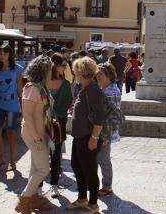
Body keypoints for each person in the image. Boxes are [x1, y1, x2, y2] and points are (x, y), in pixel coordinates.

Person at [15, 55, 55, 214]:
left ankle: (31, 199)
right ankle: (24, 199)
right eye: (50, 70)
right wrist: (37, 139)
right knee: (44, 169)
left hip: (41, 133)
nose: (52, 73)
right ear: (43, 71)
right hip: (34, 135)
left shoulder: (41, 87)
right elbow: (27, 115)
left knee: (35, 168)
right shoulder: (32, 88)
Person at [66, 57, 105, 213]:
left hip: (89, 137)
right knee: (77, 166)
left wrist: (94, 138)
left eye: (75, 71)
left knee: (89, 171)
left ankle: (93, 204)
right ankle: (82, 199)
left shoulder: (93, 90)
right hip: (79, 136)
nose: (74, 73)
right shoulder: (84, 88)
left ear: (82, 72)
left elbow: (99, 117)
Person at [40, 54, 73, 198]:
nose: (65, 68)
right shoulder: (44, 84)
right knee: (46, 155)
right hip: (50, 123)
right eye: (63, 65)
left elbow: (67, 105)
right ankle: (44, 185)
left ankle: (49, 185)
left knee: (50, 155)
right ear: (56, 66)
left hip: (52, 123)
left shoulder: (63, 84)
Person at [0, 44, 24, 172]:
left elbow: (20, 90)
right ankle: (0, 159)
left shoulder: (17, 69)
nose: (2, 56)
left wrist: (24, 106)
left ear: (10, 54)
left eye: (4, 53)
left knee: (10, 132)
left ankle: (13, 161)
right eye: (0, 53)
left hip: (12, 105)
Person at [95, 63, 122, 197]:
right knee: (100, 159)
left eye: (101, 74)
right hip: (101, 131)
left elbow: (113, 117)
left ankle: (107, 187)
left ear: (109, 76)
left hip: (105, 132)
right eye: (97, 73)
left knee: (104, 160)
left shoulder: (110, 91)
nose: (98, 76)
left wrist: (105, 136)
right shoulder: (105, 88)